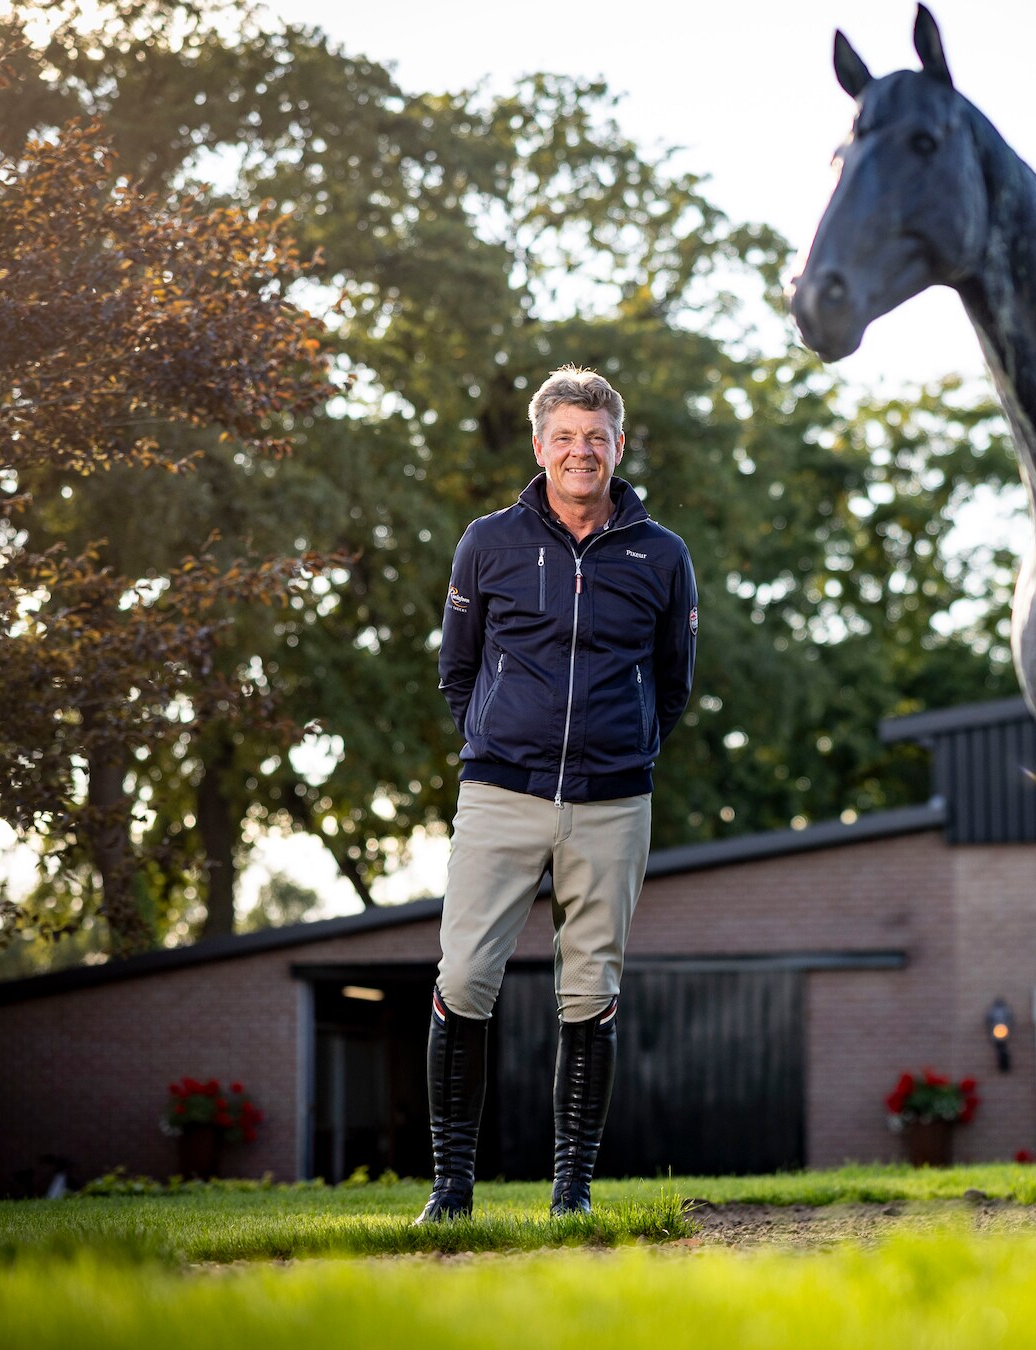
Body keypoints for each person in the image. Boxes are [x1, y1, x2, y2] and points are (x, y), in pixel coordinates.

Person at [419, 366, 697, 1222]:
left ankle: (570, 1194)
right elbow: (457, 670)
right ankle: (451, 1193)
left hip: (613, 803)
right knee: (464, 977)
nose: (582, 452)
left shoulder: (663, 555)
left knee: (591, 989)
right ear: (540, 447)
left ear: (619, 447)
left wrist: (627, 750)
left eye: (597, 437)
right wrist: (500, 741)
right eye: (566, 438)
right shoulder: (488, 543)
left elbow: (674, 683)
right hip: (501, 793)